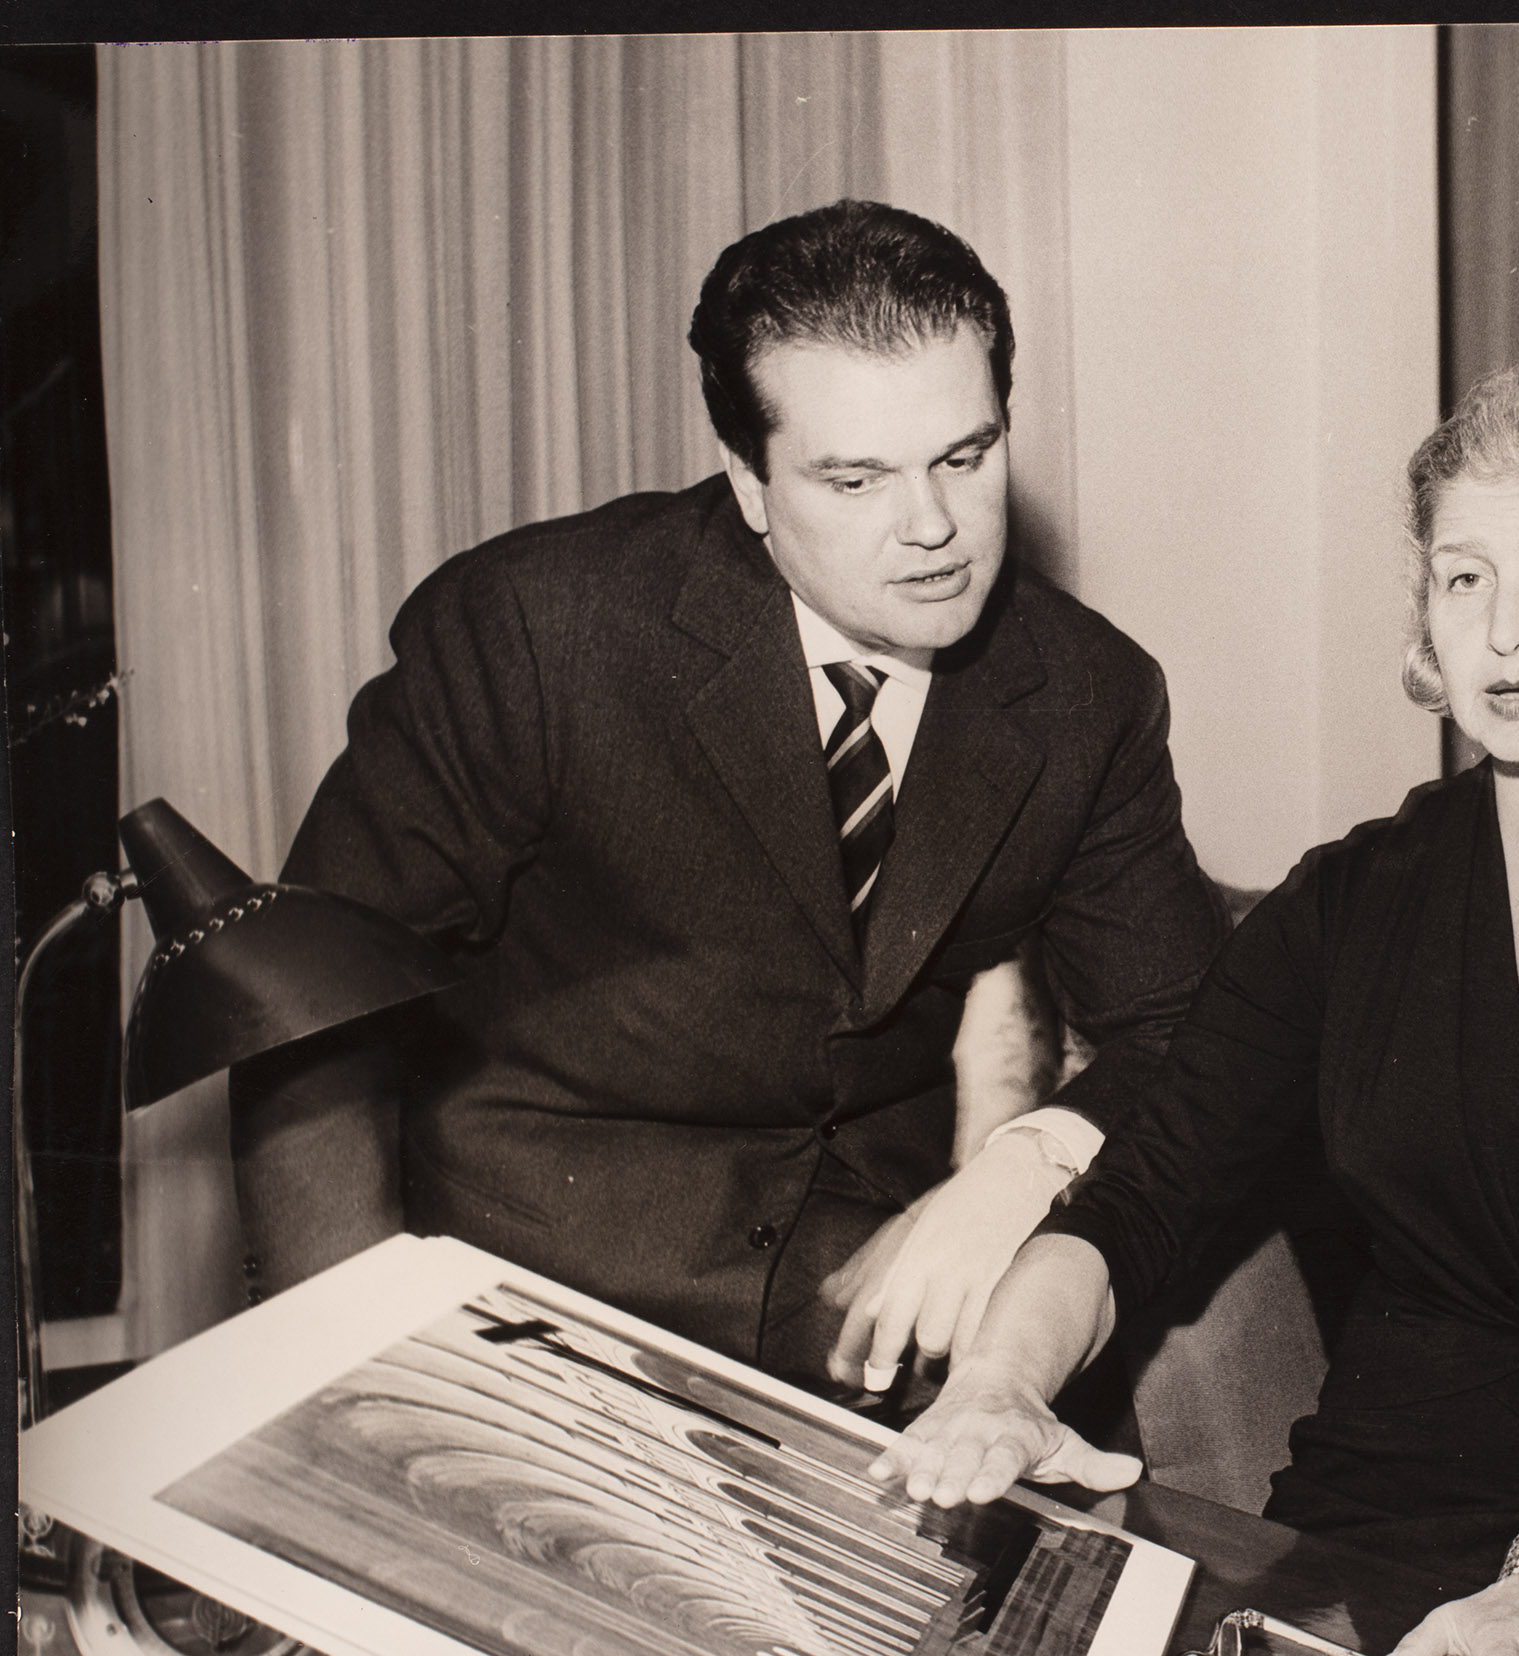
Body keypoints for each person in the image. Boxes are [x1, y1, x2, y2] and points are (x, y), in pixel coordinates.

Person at [871, 362, 1519, 1656]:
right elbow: (1147, 1188)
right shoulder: (1351, 899)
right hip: (1385, 1496)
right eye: (1462, 578)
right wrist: (1001, 1381)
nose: (1504, 629)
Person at [232, 200, 1228, 1388]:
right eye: (854, 479)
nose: (933, 527)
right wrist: (342, 1361)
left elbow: (1191, 1027)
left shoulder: (1086, 692)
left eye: (965, 457)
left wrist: (1028, 1162)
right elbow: (314, 1005)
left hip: (863, 1292)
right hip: (526, 1288)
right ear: (749, 482)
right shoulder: (537, 630)